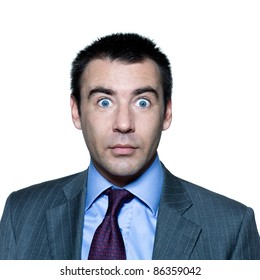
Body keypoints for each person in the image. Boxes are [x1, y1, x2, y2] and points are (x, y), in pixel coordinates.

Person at [0, 33, 259, 260]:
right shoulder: (21, 213)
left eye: (142, 102)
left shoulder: (231, 226)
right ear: (76, 111)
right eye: (104, 102)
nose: (123, 124)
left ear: (167, 113)